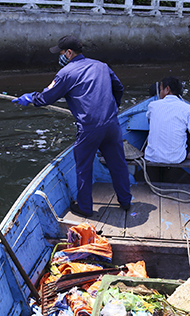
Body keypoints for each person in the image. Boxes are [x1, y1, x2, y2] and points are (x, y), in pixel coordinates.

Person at [12, 35, 132, 217]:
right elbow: (119, 88)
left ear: (68, 52)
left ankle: (85, 207)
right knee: (118, 164)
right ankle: (125, 201)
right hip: (112, 123)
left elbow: (46, 98)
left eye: (61, 53)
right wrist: (112, 108)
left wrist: (29, 98)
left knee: (83, 167)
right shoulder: (102, 66)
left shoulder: (66, 73)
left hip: (89, 127)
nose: (60, 57)